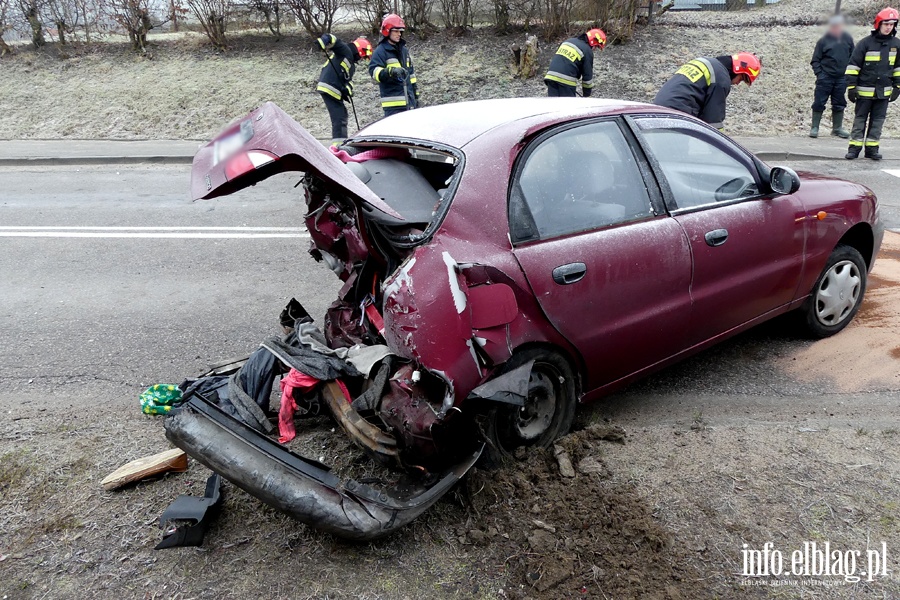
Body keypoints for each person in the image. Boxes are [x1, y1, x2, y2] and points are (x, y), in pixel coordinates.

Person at [844, 7, 900, 160]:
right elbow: (853, 66)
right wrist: (851, 87)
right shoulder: (865, 44)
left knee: (877, 122)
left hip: (883, 93)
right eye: (886, 23)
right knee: (859, 121)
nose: (889, 27)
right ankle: (854, 149)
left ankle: (872, 150)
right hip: (864, 92)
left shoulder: (896, 44)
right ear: (878, 24)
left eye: (892, 24)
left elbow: (898, 68)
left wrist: (898, 87)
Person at [653, 53, 761, 129]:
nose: (737, 83)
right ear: (738, 70)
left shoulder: (707, 63)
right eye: (741, 79)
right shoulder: (721, 78)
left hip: (659, 107)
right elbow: (713, 119)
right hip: (677, 114)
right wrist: (720, 148)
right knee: (679, 155)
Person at [317, 34, 373, 145]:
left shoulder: (351, 63)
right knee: (339, 117)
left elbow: (346, 79)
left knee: (342, 114)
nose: (361, 59)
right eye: (363, 56)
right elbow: (335, 41)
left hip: (332, 88)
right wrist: (324, 40)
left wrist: (347, 89)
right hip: (330, 87)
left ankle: (340, 143)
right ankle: (338, 147)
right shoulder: (346, 51)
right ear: (361, 50)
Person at [810, 15, 854, 138]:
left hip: (841, 78)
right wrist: (820, 74)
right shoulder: (823, 41)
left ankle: (837, 128)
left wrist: (848, 74)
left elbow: (853, 58)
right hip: (825, 78)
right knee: (819, 102)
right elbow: (815, 60)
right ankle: (815, 127)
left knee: (839, 103)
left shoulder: (848, 39)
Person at [369, 14, 418, 116]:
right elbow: (374, 72)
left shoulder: (404, 51)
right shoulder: (380, 51)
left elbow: (411, 75)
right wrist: (391, 72)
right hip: (393, 107)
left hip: (410, 103)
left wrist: (415, 96)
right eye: (396, 31)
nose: (399, 34)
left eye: (400, 31)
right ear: (387, 31)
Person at [544, 28, 607, 97]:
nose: (594, 49)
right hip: (566, 81)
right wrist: (587, 96)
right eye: (596, 46)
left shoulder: (568, 41)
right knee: (569, 107)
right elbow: (587, 78)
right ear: (593, 41)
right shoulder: (587, 50)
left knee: (555, 106)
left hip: (550, 77)